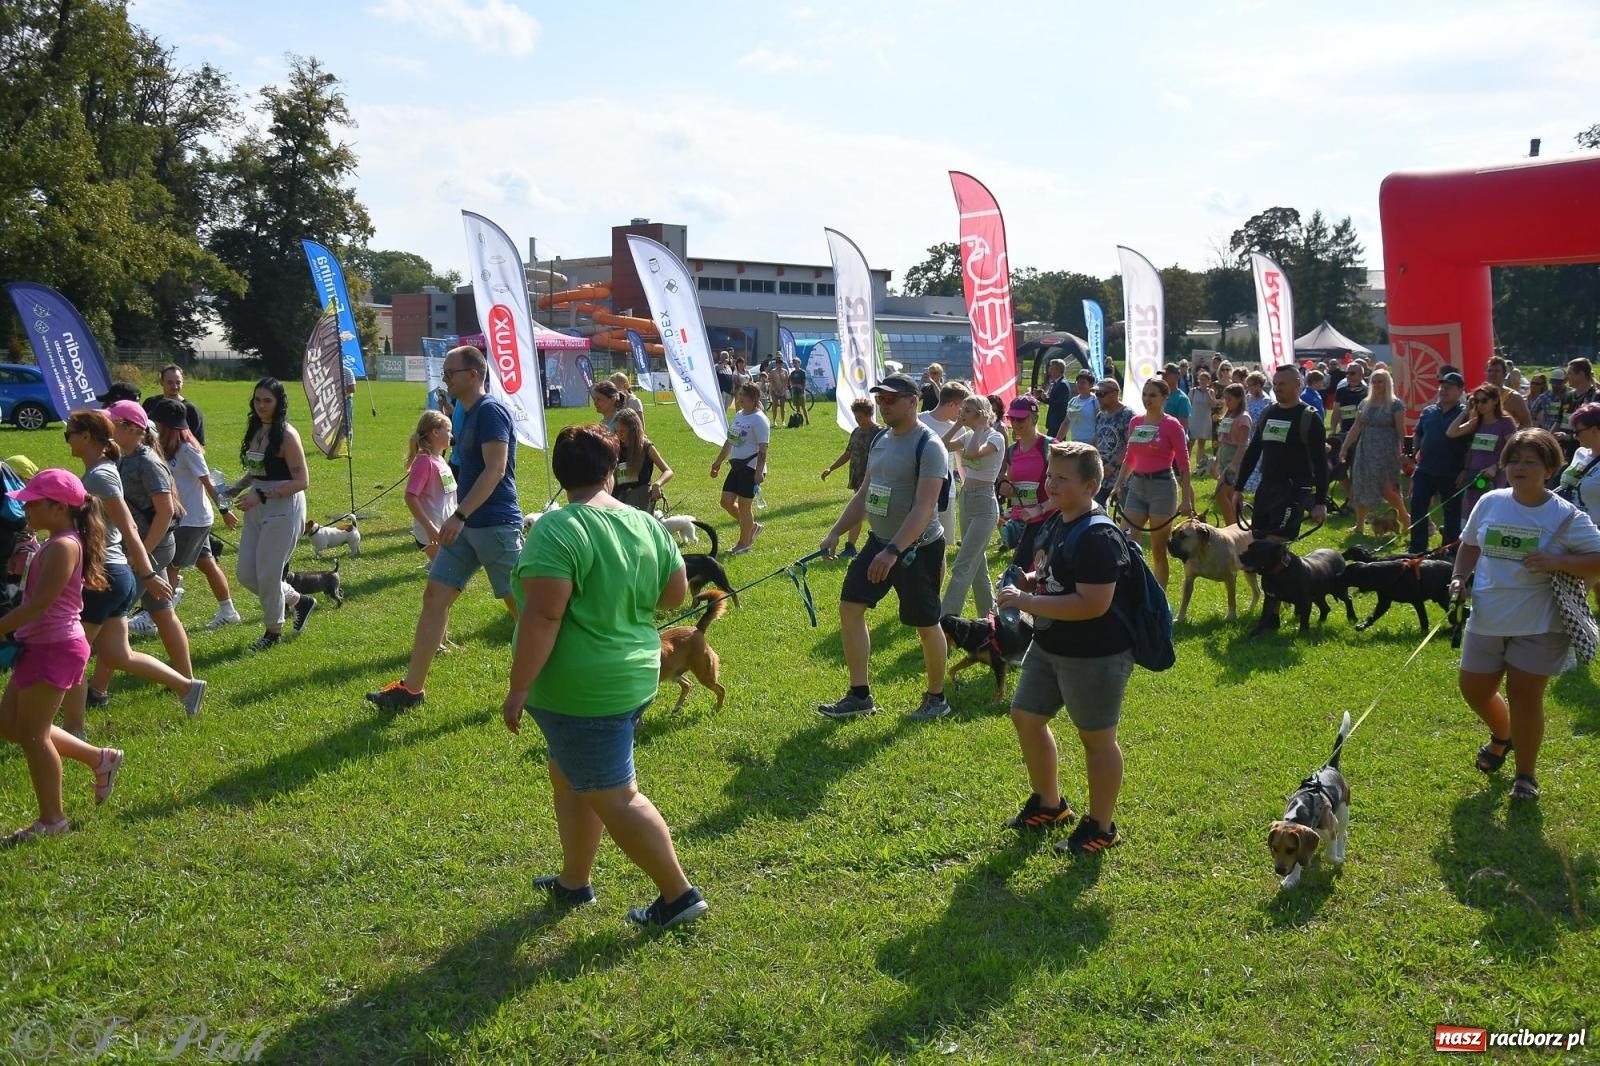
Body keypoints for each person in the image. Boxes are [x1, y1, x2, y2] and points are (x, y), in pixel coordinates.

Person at [503, 423, 707, 929]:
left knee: (615, 793)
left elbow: (544, 616)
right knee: (570, 774)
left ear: (559, 474)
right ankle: (575, 881)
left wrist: (519, 687)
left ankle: (679, 896)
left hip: (583, 689)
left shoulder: (556, 528)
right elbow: (675, 595)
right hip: (633, 675)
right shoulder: (646, 524)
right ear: (611, 472)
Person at [996, 441, 1131, 856]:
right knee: (1026, 715)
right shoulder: (1059, 521)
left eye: (1062, 478)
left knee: (1096, 739)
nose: (1051, 484)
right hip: (1052, 641)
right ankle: (1050, 804)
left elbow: (1093, 604)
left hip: (1095, 652)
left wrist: (1025, 601)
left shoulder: (1099, 536)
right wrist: (1031, 580)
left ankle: (1101, 828)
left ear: (1091, 485)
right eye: (1049, 475)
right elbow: (1056, 572)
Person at [368, 346, 522, 711]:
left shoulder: (490, 411)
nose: (445, 378)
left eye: (450, 372)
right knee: (435, 597)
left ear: (473, 374)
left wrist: (459, 515)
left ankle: (563, 680)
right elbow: (460, 470)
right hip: (466, 526)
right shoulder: (464, 415)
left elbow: (495, 470)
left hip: (495, 524)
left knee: (525, 610)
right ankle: (412, 690)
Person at [1451, 428, 1600, 802]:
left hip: (1540, 624)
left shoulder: (1566, 516)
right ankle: (1504, 735)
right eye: (1513, 460)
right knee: (1474, 689)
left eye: (1530, 462)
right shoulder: (1490, 501)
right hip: (1488, 616)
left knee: (1524, 695)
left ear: (1549, 469)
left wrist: (1558, 561)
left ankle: (1526, 777)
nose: (1519, 468)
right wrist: (1458, 578)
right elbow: (1469, 544)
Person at [0, 469, 126, 847]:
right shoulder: (56, 540)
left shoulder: (63, 546)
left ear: (58, 507)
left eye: (33, 503)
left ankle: (52, 820)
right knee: (9, 725)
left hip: (55, 647)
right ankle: (98, 758)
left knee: (33, 736)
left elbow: (40, 604)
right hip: (41, 645)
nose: (25, 508)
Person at [59, 411, 206, 735]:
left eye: (68, 433)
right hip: (117, 574)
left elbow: (127, 527)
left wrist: (149, 573)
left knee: (72, 654)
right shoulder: (104, 470)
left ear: (86, 437)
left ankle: (76, 730)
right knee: (117, 653)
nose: (66, 439)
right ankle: (187, 686)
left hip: (108, 575)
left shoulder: (100, 476)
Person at [817, 373, 950, 721]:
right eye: (880, 398)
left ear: (913, 401)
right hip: (879, 544)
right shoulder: (880, 440)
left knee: (925, 625)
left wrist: (892, 552)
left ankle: (937, 698)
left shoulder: (929, 446)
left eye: (892, 398)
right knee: (850, 607)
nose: (884, 404)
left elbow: (924, 507)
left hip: (916, 550)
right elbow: (864, 495)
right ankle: (860, 695)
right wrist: (835, 532)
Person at [223, 380, 316, 653]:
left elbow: (302, 480)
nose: (261, 406)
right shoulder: (256, 429)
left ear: (279, 403)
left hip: (283, 507)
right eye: (257, 400)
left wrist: (261, 495)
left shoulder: (287, 435)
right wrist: (236, 488)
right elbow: (256, 469)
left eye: (268, 401)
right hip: (257, 504)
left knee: (268, 574)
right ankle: (298, 601)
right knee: (245, 575)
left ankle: (273, 631)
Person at [103, 401, 193, 677]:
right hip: (144, 546)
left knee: (111, 618)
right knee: (163, 613)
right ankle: (187, 678)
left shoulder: (148, 462)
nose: (106, 428)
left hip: (151, 547)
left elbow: (165, 511)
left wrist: (140, 556)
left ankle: (98, 689)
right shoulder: (123, 456)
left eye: (111, 423)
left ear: (131, 428)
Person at [152, 398, 241, 631]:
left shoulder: (188, 449)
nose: (155, 426)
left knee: (171, 565)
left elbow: (208, 482)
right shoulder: (167, 446)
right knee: (207, 564)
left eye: (158, 423)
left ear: (169, 425)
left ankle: (161, 618)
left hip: (192, 520)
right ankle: (228, 611)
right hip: (186, 518)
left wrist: (225, 510)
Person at [1233, 363, 1329, 553]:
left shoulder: (1309, 418)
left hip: (1293, 491)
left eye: (1282, 384)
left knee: (1274, 544)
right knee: (1259, 542)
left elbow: (1320, 463)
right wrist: (1238, 488)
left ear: (1297, 384)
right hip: (1267, 487)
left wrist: (1320, 502)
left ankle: (1288, 581)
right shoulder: (1268, 413)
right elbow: (1253, 451)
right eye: (1275, 384)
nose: (1277, 388)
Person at [1107, 378, 1193, 587]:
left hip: (1162, 488)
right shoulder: (1136, 422)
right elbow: (1130, 458)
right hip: (1137, 486)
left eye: (1153, 395)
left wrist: (1187, 500)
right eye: (1145, 394)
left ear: (1165, 397)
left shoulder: (1172, 425)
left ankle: (1159, 600)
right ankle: (1130, 590)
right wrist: (1117, 486)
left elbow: (1183, 464)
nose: (1147, 399)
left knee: (1157, 549)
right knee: (1125, 540)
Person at [939, 395, 1006, 617]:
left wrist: (979, 428)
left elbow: (972, 453)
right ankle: (991, 618)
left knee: (962, 564)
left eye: (966, 411)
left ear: (980, 414)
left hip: (985, 504)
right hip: (967, 499)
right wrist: (958, 424)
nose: (961, 413)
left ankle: (945, 620)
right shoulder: (967, 434)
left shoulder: (995, 437)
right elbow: (941, 446)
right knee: (977, 567)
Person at [1338, 367, 1410, 537]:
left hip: (1386, 451)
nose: (1377, 385)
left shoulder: (1395, 404)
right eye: (1374, 381)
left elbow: (1401, 430)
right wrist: (1345, 447)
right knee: (1361, 486)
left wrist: (1406, 452)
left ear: (1388, 383)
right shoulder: (1365, 403)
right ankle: (1359, 525)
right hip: (1365, 449)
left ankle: (1405, 516)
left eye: (1381, 382)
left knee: (1387, 489)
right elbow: (1356, 427)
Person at [1407, 371, 1471, 554]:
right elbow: (1418, 432)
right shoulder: (1428, 411)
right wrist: (1413, 453)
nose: (1443, 390)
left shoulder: (1465, 414)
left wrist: (1466, 470)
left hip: (1452, 471)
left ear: (1460, 391)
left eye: (1449, 387)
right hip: (1425, 469)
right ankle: (1417, 549)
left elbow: (1470, 445)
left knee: (1452, 513)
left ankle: (1449, 551)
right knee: (1417, 506)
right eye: (1442, 386)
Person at [997, 395, 1058, 568]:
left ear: (1035, 418)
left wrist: (1040, 508)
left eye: (1020, 418)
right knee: (1025, 575)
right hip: (1021, 521)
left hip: (1047, 520)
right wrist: (1003, 485)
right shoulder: (1011, 451)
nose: (1015, 423)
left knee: (1025, 574)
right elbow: (1006, 478)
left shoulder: (1051, 447)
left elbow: (1066, 487)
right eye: (1012, 418)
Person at [709, 383, 769, 556]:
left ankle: (744, 544)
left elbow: (763, 449)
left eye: (744, 395)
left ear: (754, 398)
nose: (740, 398)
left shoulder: (759, 419)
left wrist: (759, 472)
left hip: (751, 467)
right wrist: (718, 462)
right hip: (736, 466)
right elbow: (730, 441)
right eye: (740, 394)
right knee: (726, 502)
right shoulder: (738, 416)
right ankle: (752, 527)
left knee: (744, 506)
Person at [1449, 385, 1518, 520]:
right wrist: (1466, 411)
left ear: (1495, 401)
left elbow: (1514, 449)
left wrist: (1496, 466)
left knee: (1491, 513)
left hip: (1495, 475)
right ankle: (1466, 539)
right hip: (1473, 474)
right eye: (1476, 401)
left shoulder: (1505, 422)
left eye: (1484, 400)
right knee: (1468, 513)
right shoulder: (1476, 422)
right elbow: (1451, 433)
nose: (1480, 404)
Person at [820, 398, 878, 559]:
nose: (857, 420)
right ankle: (851, 546)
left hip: (874, 481)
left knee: (873, 514)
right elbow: (848, 453)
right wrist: (831, 468)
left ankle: (878, 544)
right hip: (857, 478)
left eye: (859, 416)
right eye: (855, 416)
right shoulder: (856, 432)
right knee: (858, 513)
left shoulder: (879, 433)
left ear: (869, 414)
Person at [920, 382, 970, 549]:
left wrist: (968, 486)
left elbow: (961, 462)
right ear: (951, 404)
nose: (964, 413)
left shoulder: (960, 429)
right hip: (919, 491)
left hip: (946, 493)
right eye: (963, 408)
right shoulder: (920, 420)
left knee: (941, 543)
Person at [405, 410, 456, 560]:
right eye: (448, 431)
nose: (451, 436)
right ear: (435, 432)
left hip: (445, 528)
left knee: (449, 573)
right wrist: (430, 528)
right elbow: (410, 497)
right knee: (447, 574)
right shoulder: (424, 461)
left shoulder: (438, 459)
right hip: (432, 532)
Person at [613, 409, 673, 512]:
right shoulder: (615, 446)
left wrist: (657, 484)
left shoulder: (646, 447)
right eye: (616, 431)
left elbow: (668, 471)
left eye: (622, 431)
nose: (619, 435)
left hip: (640, 497)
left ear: (633, 429)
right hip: (618, 496)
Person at [1213, 383, 1253, 527]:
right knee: (1230, 495)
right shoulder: (1228, 415)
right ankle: (1237, 526)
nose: (1226, 402)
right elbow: (1222, 440)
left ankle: (1232, 526)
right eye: (1225, 398)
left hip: (1234, 459)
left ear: (1239, 399)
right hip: (1224, 456)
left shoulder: (1243, 418)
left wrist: (1234, 464)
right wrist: (1217, 462)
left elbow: (1243, 444)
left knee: (1220, 493)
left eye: (1229, 399)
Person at [1090, 380, 1133, 506]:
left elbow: (1131, 445)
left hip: (1122, 478)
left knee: (1124, 517)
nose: (1097, 397)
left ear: (1114, 394)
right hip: (1101, 475)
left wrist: (1113, 465)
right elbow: (1096, 440)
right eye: (1096, 394)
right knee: (1097, 512)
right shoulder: (1100, 416)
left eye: (1101, 394)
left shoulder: (1128, 415)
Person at [142, 363, 205, 444]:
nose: (175, 386)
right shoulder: (150, 403)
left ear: (183, 382)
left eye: (178, 382)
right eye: (170, 382)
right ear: (161, 382)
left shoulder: (190, 409)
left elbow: (198, 444)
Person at [1554, 358, 1599, 460]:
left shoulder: (1596, 397)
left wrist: (1568, 437)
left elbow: (1595, 429)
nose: (1566, 377)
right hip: (1564, 451)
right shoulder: (1567, 396)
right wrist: (1548, 438)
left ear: (1581, 374)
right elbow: (1558, 421)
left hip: (1587, 453)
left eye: (1570, 373)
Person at [1484, 356, 1531, 428]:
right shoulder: (1480, 395)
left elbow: (1527, 424)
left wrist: (1512, 436)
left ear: (1504, 374)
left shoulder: (1514, 397)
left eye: (1497, 371)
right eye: (1490, 371)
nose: (1492, 373)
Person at [1187, 371, 1215, 468]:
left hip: (1205, 420)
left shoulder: (1211, 392)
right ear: (1198, 380)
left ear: (1209, 381)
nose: (1203, 381)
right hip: (1194, 419)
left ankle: (1199, 466)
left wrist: (1207, 393)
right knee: (1190, 443)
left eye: (1205, 380)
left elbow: (1213, 405)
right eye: (1201, 379)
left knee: (1201, 444)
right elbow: (1187, 404)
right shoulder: (1193, 391)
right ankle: (1186, 465)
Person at [1063, 369, 1098, 445]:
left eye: (1083, 382)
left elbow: (1099, 425)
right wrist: (1056, 441)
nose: (1079, 385)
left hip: (1090, 444)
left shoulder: (1095, 401)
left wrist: (1093, 445)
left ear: (1091, 385)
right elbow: (1066, 422)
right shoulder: (1072, 401)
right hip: (1075, 443)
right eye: (1078, 382)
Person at [1040, 358, 1071, 437]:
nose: (1049, 370)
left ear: (1058, 369)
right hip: (1054, 422)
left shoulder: (1062, 384)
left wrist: (1046, 399)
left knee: (1055, 445)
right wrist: (1041, 397)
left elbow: (1060, 404)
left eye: (1051, 367)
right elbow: (1053, 400)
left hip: (1058, 422)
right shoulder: (1057, 382)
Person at [787, 357, 810, 426]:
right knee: (797, 407)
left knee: (803, 406)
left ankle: (807, 420)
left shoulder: (802, 372)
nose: (794, 364)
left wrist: (802, 389)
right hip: (795, 391)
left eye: (796, 363)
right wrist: (793, 385)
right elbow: (790, 381)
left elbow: (804, 382)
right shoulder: (792, 373)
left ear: (799, 363)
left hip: (801, 391)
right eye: (794, 363)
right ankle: (799, 420)